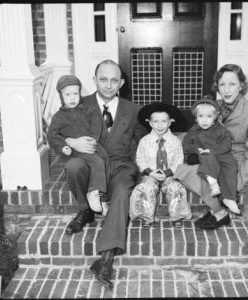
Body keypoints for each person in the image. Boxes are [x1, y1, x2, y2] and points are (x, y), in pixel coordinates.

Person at [63, 60, 147, 290]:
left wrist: (147, 167)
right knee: (73, 167)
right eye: (103, 79)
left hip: (120, 165)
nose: (108, 85)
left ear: (121, 82)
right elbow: (57, 129)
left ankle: (105, 259)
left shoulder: (133, 110)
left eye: (114, 80)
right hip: (91, 163)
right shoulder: (79, 105)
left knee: (122, 191)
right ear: (94, 80)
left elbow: (144, 141)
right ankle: (86, 209)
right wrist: (70, 141)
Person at [174, 64, 248, 229]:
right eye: (222, 84)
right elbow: (195, 131)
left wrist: (236, 185)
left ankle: (218, 211)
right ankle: (219, 211)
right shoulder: (213, 106)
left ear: (241, 86)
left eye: (232, 84)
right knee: (181, 169)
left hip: (232, 162)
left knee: (194, 173)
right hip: (209, 155)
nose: (226, 90)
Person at [47, 75, 110, 215]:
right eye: (67, 94)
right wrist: (63, 145)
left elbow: (97, 124)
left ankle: (103, 198)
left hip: (90, 145)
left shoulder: (88, 109)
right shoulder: (58, 117)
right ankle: (94, 192)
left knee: (104, 159)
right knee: (97, 161)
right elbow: (52, 135)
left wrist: (93, 139)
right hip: (74, 151)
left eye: (75, 93)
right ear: (61, 96)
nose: (72, 97)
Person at [129, 102, 192, 228]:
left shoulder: (175, 141)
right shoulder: (144, 141)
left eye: (164, 121)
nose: (160, 125)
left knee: (175, 187)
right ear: (150, 123)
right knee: (146, 188)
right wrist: (149, 172)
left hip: (169, 174)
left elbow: (178, 160)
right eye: (156, 121)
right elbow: (140, 159)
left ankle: (176, 216)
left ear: (170, 122)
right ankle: (146, 216)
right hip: (150, 174)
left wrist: (167, 173)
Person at [185, 95, 240, 215]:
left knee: (230, 165)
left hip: (219, 153)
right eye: (201, 116)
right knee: (207, 159)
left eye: (209, 117)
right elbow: (186, 144)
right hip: (204, 155)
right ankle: (212, 182)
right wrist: (197, 150)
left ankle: (229, 198)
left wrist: (212, 150)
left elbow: (226, 145)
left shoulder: (220, 129)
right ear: (196, 118)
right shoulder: (194, 131)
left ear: (215, 118)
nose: (204, 120)